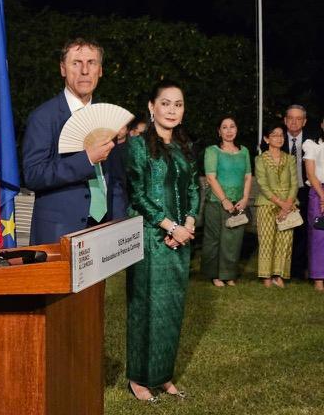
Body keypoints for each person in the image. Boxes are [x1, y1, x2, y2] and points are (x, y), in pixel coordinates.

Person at [125, 81, 199, 402]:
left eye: (178, 105)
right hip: (151, 238)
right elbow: (138, 195)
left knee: (171, 309)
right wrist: (170, 226)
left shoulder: (185, 147)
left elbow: (194, 188)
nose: (172, 110)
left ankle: (163, 375)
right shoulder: (138, 145)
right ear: (152, 107)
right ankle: (139, 379)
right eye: (165, 103)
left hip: (181, 240)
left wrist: (189, 224)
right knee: (147, 308)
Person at [22, 37, 115, 244]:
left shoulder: (105, 114)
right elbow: (33, 175)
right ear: (63, 69)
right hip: (60, 230)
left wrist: (116, 220)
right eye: (76, 63)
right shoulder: (44, 116)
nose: (84, 71)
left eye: (91, 63)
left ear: (100, 70)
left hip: (101, 228)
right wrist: (87, 159)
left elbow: (114, 177)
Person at [201, 116, 253, 286]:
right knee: (214, 240)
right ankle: (215, 275)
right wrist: (224, 199)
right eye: (225, 127)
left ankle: (229, 274)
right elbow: (210, 177)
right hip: (217, 202)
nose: (229, 130)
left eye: (232, 126)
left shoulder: (244, 151)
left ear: (237, 129)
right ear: (219, 131)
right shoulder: (212, 151)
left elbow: (247, 176)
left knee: (233, 240)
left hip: (238, 204)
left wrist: (245, 198)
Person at [255, 122, 298, 288]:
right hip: (267, 204)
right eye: (274, 135)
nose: (279, 138)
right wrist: (281, 203)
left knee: (285, 241)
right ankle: (266, 276)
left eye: (281, 135)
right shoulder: (260, 159)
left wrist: (287, 204)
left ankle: (278, 275)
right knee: (266, 241)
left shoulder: (290, 159)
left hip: (289, 204)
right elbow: (262, 184)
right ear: (266, 138)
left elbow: (294, 183)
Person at [282, 105, 309, 279]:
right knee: (284, 229)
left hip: (305, 190)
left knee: (302, 230)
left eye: (298, 118)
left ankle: (298, 270)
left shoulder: (312, 141)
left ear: (304, 122)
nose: (294, 121)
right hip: (282, 193)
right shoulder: (276, 139)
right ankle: (281, 269)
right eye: (290, 118)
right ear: (285, 120)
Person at [303, 116, 324, 291]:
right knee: (319, 235)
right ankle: (318, 278)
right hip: (318, 192)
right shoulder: (313, 144)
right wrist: (323, 196)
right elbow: (310, 174)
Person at [108, 125, 129, 219]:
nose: (119, 131)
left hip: (117, 208)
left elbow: (118, 181)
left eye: (122, 127)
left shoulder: (130, 148)